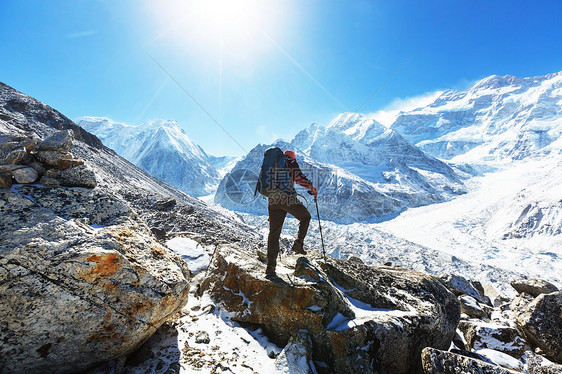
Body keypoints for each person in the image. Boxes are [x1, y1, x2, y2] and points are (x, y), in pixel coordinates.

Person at [265, 150, 318, 278]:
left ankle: (270, 268)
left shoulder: (273, 165)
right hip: (286, 198)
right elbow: (300, 178)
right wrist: (312, 189)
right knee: (305, 217)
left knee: (274, 233)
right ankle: (298, 245)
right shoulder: (291, 163)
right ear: (293, 158)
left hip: (272, 200)